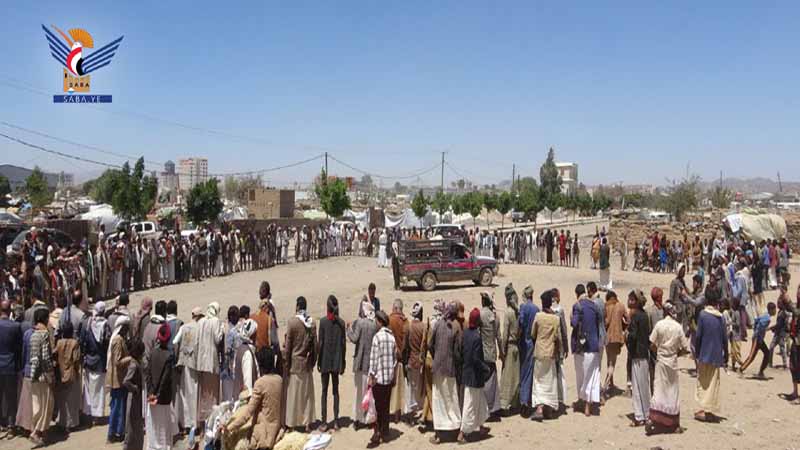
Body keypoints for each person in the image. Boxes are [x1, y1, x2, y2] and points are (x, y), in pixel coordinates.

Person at [222, 347, 283, 450]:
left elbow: (247, 414)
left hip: (263, 435)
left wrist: (229, 428)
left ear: (261, 364)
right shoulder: (279, 380)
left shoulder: (260, 383)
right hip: (277, 430)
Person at [646, 302, 689, 435]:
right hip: (672, 363)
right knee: (672, 392)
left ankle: (654, 419)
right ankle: (674, 424)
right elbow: (685, 348)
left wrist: (659, 351)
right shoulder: (678, 327)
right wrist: (676, 353)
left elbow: (651, 344)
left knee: (659, 389)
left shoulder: (659, 325)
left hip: (661, 362)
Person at [428, 302, 462, 445]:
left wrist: (437, 357)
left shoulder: (437, 324)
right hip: (450, 369)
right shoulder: (456, 327)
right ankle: (456, 430)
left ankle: (438, 434)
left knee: (438, 399)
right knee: (452, 399)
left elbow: (430, 345)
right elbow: (458, 351)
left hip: (437, 369)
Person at [693, 289, 727, 422]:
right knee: (713, 383)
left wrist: (697, 352)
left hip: (704, 354)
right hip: (716, 355)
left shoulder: (702, 315)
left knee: (703, 382)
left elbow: (698, 336)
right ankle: (709, 410)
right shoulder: (720, 317)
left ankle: (703, 409)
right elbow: (724, 338)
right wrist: (726, 354)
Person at [284, 296, 316, 432]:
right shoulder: (311, 322)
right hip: (306, 363)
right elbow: (315, 346)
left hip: (295, 364)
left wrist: (286, 365)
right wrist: (312, 362)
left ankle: (291, 424)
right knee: (307, 396)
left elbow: (288, 347)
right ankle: (307, 423)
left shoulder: (292, 323)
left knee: (294, 396)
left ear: (297, 306)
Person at [530, 290, 563, 421]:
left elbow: (533, 333)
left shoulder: (538, 316)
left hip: (539, 352)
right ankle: (548, 410)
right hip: (551, 353)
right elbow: (558, 338)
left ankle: (539, 409)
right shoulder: (555, 319)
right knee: (550, 382)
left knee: (538, 381)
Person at [459, 308, 490, 442]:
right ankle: (462, 433)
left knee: (480, 402)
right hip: (474, 377)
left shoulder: (465, 333)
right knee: (470, 405)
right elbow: (476, 359)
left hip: (467, 373)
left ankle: (481, 427)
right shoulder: (477, 337)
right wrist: (485, 368)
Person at [571, 284, 602, 417]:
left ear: (576, 294)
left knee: (581, 376)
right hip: (594, 346)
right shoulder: (594, 306)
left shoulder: (577, 306)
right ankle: (588, 405)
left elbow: (574, 323)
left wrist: (571, 317)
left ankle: (581, 401)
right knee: (592, 376)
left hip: (581, 347)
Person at [347, 299, 378, 429]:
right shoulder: (374, 325)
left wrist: (348, 329)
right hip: (370, 364)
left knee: (358, 393)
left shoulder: (360, 323)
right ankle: (368, 419)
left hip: (360, 364)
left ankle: (357, 419)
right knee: (368, 393)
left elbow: (354, 338)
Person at [367, 310, 397, 447]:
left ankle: (378, 432)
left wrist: (371, 375)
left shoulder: (377, 338)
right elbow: (395, 359)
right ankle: (385, 431)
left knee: (378, 407)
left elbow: (373, 360)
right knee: (386, 405)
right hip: (388, 378)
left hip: (378, 378)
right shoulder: (392, 338)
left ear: (380, 322)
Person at [317, 295, 346, 431]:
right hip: (336, 362)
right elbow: (343, 345)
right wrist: (343, 362)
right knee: (335, 391)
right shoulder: (341, 323)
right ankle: (336, 421)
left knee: (324, 391)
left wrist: (318, 361)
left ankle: (324, 422)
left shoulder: (323, 322)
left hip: (325, 361)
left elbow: (320, 344)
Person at [146, 324, 177, 450]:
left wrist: (150, 393)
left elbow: (148, 374)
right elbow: (165, 379)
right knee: (163, 427)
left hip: (152, 396)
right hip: (162, 398)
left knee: (153, 427)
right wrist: (157, 396)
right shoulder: (169, 355)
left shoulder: (152, 352)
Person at [172, 306, 202, 432]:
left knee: (184, 392)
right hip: (194, 364)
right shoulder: (199, 328)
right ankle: (194, 423)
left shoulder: (184, 327)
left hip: (184, 363)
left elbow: (175, 341)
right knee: (194, 393)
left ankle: (185, 423)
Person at [29, 308, 54, 446]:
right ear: (45, 319)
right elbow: (45, 358)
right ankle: (37, 433)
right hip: (43, 375)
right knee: (46, 405)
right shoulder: (44, 334)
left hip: (33, 374)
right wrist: (50, 374)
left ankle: (39, 432)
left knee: (37, 405)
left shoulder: (33, 334)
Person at [196, 302, 224, 428]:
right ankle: (211, 420)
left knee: (203, 393)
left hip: (201, 362)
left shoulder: (201, 321)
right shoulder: (216, 321)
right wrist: (222, 329)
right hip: (211, 362)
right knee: (212, 393)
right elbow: (218, 339)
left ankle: (203, 421)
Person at [627, 290, 651, 427]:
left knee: (637, 387)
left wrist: (626, 335)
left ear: (636, 302)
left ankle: (639, 416)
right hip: (644, 354)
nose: (629, 301)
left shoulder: (636, 316)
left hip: (637, 354)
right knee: (644, 387)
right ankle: (646, 414)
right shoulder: (645, 315)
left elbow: (633, 336)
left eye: (631, 299)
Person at [739, 279, 772, 379]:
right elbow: (759, 326)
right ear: (771, 310)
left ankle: (760, 371)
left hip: (759, 338)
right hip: (758, 339)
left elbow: (757, 321)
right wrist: (756, 337)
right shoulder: (767, 318)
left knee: (766, 353)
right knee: (752, 355)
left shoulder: (764, 315)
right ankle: (741, 369)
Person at [53, 317, 81, 432]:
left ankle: (62, 422)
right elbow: (76, 360)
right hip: (71, 373)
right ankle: (71, 423)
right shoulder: (75, 343)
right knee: (71, 400)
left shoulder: (59, 343)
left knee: (62, 400)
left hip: (61, 373)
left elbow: (53, 353)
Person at [107, 313, 130, 443]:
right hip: (118, 378)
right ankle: (114, 432)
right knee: (117, 407)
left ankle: (119, 431)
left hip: (120, 378)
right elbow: (117, 361)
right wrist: (130, 358)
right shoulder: (118, 340)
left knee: (119, 406)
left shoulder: (119, 339)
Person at [478, 292, 502, 420]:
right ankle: (493, 408)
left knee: (483, 381)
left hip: (482, 352)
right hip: (492, 352)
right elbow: (499, 337)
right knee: (492, 381)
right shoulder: (495, 316)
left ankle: (485, 409)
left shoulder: (480, 315)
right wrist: (502, 352)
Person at [0, 300, 21, 434]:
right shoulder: (15, 326)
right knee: (11, 397)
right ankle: (11, 425)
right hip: (11, 366)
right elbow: (18, 348)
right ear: (10, 311)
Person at [499, 284, 520, 414]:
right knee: (516, 377)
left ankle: (504, 404)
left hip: (510, 347)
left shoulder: (508, 313)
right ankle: (515, 402)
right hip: (517, 346)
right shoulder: (518, 312)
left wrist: (502, 350)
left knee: (507, 377)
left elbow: (505, 334)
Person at [518, 285, 539, 416]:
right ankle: (527, 399)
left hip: (523, 343)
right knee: (529, 372)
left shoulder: (523, 307)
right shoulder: (536, 309)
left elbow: (520, 325)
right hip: (532, 343)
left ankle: (523, 401)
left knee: (523, 372)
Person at [388, 299, 409, 422]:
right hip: (401, 360)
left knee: (389, 387)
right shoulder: (405, 322)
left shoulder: (389, 320)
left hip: (390, 359)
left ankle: (388, 413)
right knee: (399, 388)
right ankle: (397, 415)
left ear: (394, 308)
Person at [603, 291, 627, 398]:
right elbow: (628, 319)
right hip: (617, 337)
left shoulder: (605, 306)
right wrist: (623, 326)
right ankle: (605, 387)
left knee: (609, 361)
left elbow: (605, 322)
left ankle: (611, 384)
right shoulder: (621, 306)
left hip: (607, 337)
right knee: (612, 363)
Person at [404, 301, 425, 420]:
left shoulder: (409, 326)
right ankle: (418, 410)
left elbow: (405, 346)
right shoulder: (423, 327)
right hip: (420, 362)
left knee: (411, 387)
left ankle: (410, 411)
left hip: (411, 361)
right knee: (419, 388)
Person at [122, 341, 144, 450]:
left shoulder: (135, 363)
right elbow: (126, 381)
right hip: (133, 398)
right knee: (131, 426)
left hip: (136, 398)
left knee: (136, 425)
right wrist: (135, 388)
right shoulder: (134, 365)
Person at [233, 319, 259, 398]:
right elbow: (248, 384)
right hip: (245, 400)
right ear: (252, 335)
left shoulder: (240, 349)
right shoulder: (247, 354)